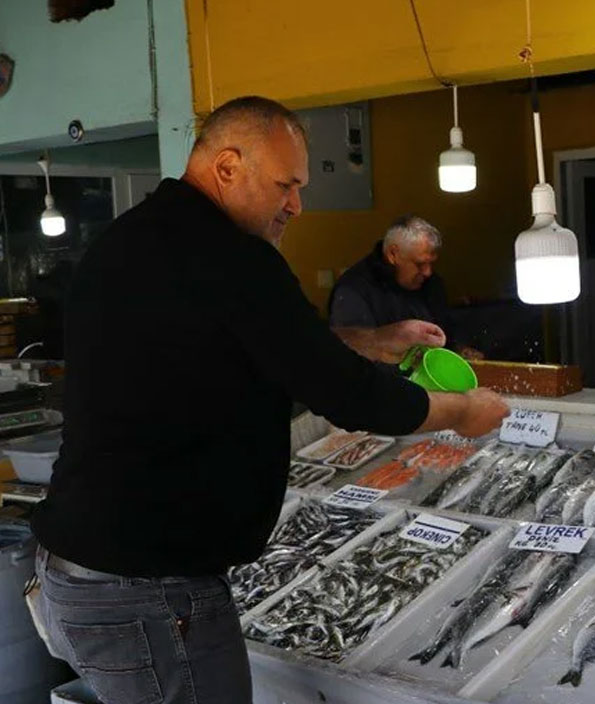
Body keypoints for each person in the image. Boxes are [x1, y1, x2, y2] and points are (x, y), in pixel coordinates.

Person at [29, 96, 509, 704]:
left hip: (85, 572)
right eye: (287, 185)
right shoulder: (230, 255)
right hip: (146, 588)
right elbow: (350, 398)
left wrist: (373, 341)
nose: (297, 205)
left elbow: (246, 342)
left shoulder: (138, 237)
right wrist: (464, 415)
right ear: (228, 166)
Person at [329, 215, 484, 360]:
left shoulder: (431, 282)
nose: (428, 272)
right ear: (393, 254)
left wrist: (459, 348)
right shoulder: (352, 291)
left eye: (431, 263)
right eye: (420, 264)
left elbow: (446, 330)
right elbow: (352, 358)